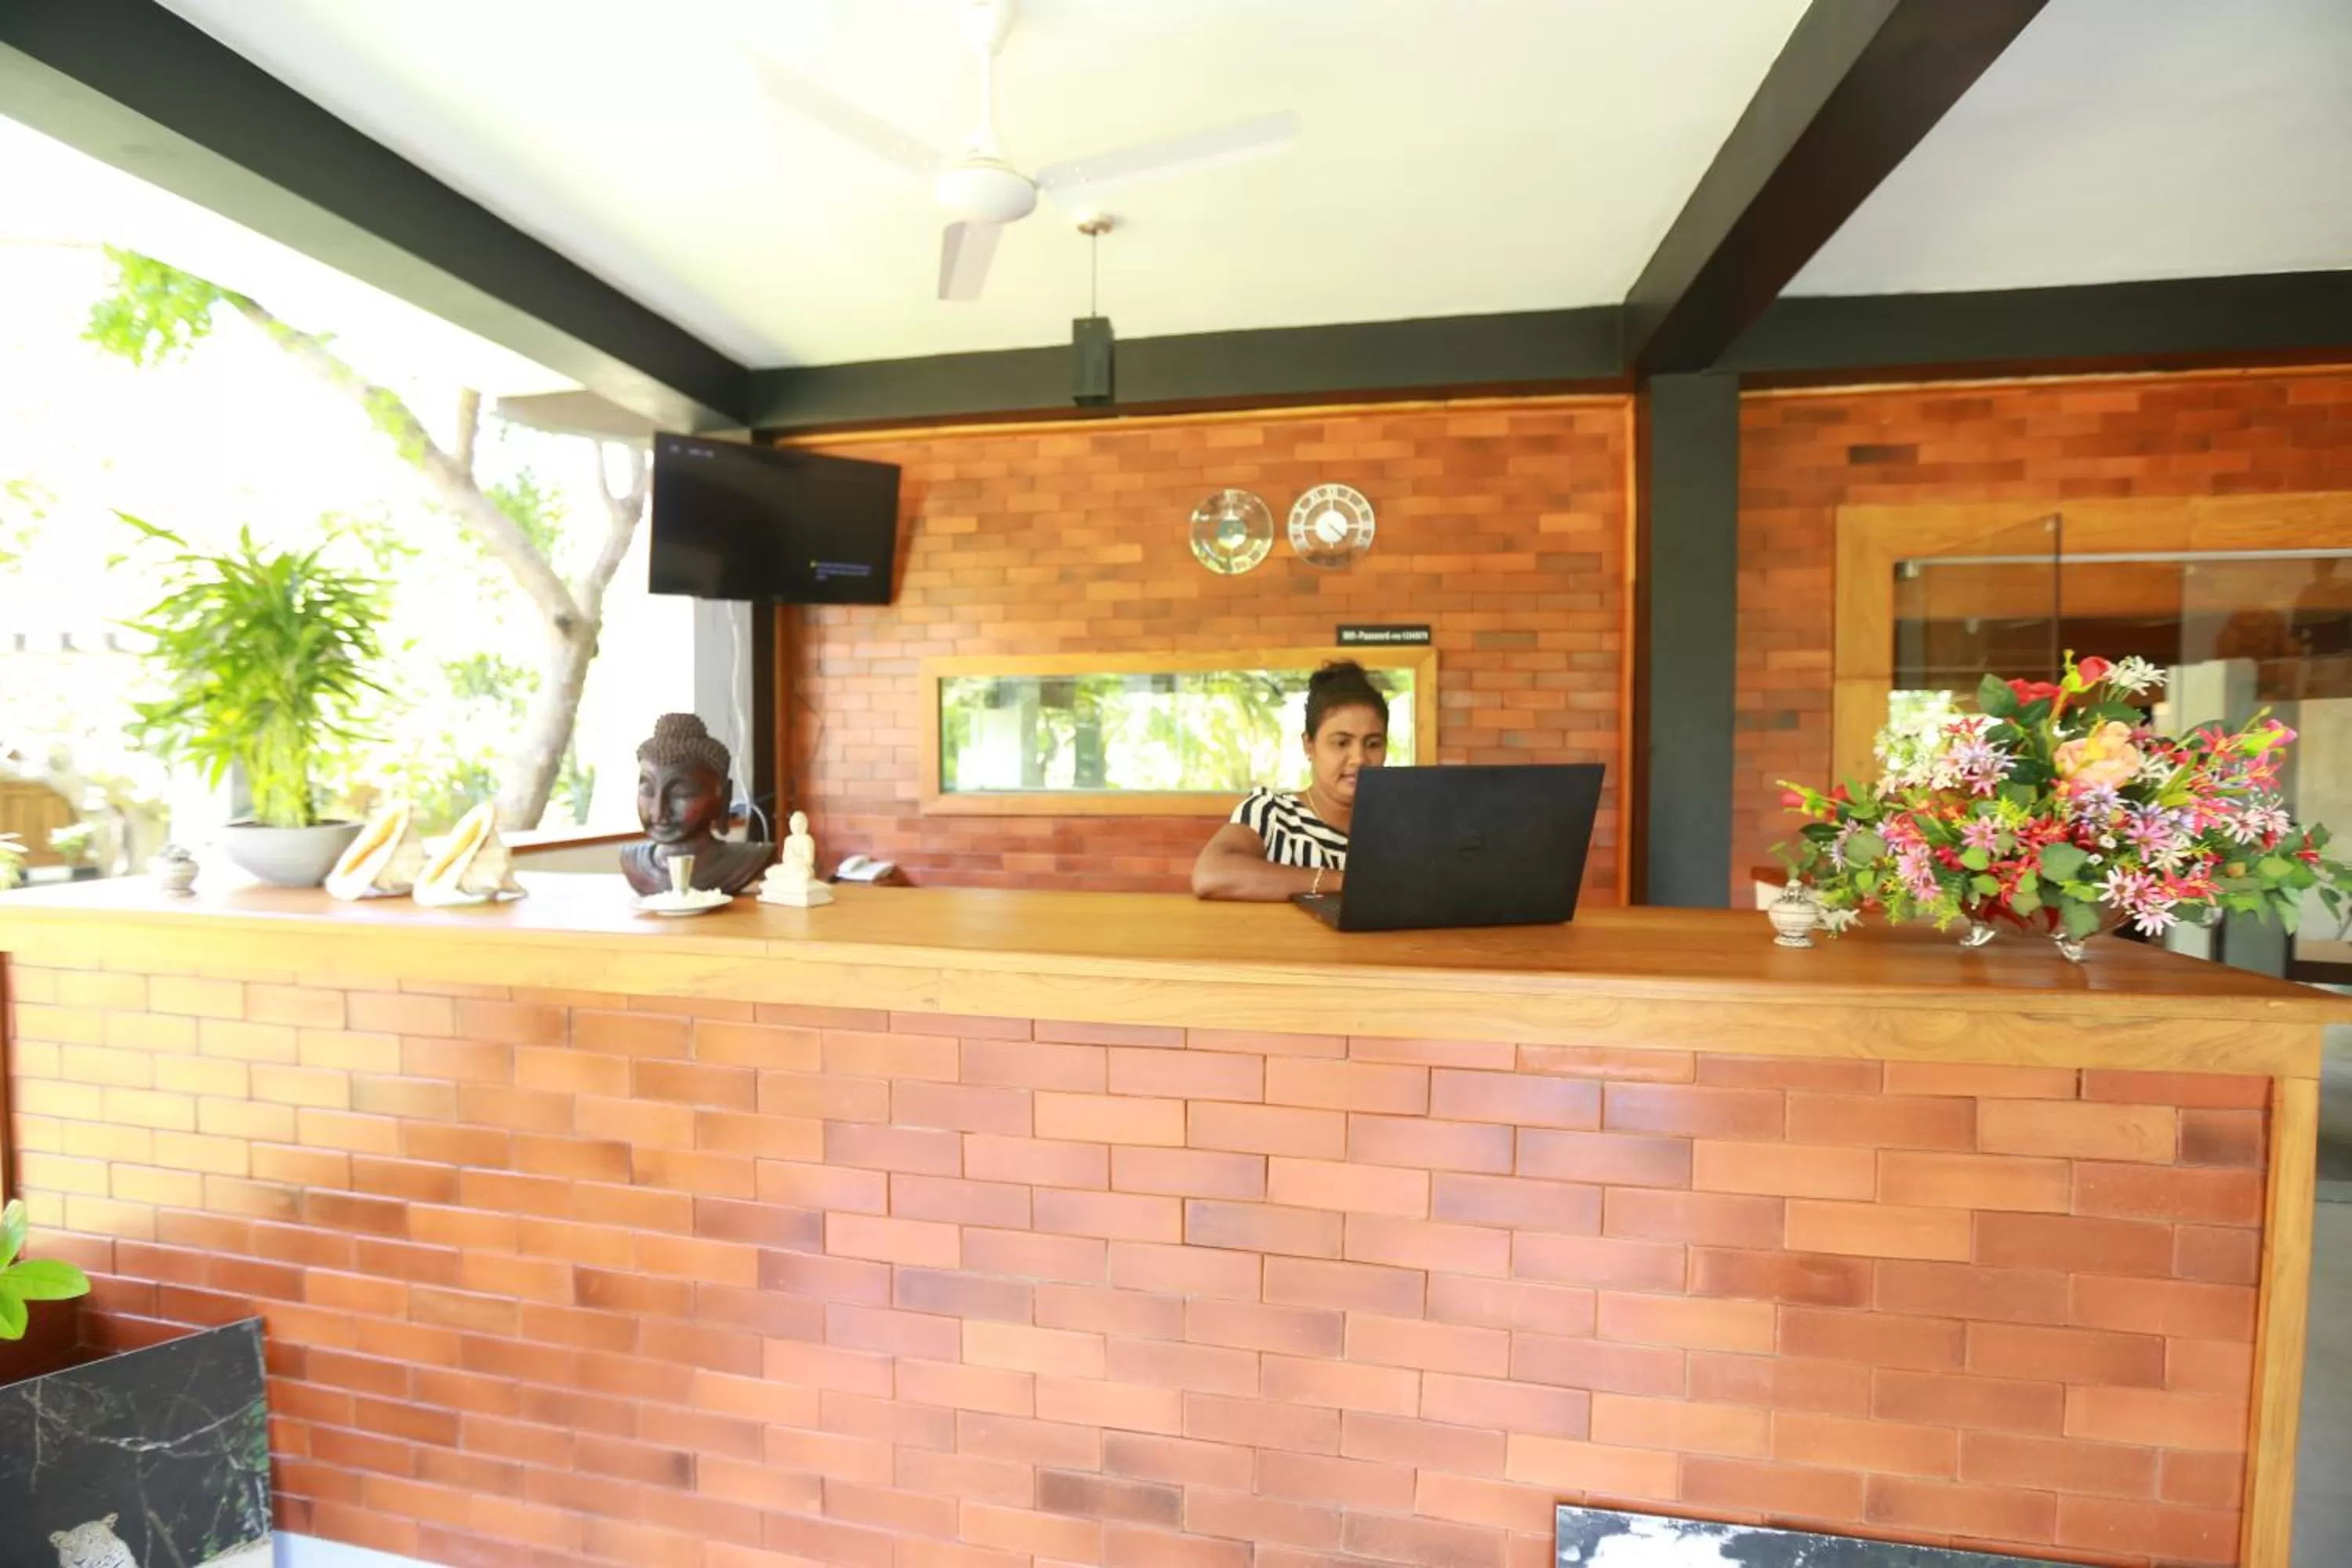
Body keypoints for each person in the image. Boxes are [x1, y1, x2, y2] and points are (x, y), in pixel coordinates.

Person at [1192, 660, 1388, 902]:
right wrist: (1340, 881)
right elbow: (1212, 874)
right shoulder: (1272, 814)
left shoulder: (1403, 827)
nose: (1359, 759)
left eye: (1373, 744)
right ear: (1309, 745)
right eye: (1341, 743)